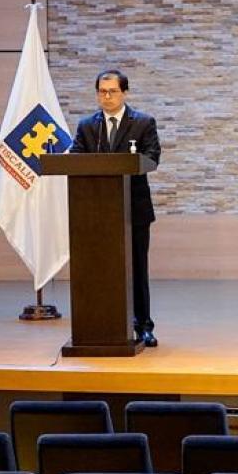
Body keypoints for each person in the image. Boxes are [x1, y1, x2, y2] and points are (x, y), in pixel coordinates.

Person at [70, 69, 163, 347]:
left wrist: (127, 164)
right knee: (99, 269)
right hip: (95, 214)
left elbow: (152, 157)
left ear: (125, 93)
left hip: (133, 209)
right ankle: (102, 323)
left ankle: (143, 325)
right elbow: (76, 159)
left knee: (136, 269)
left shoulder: (143, 123)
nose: (106, 96)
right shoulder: (88, 126)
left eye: (112, 91)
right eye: (101, 91)